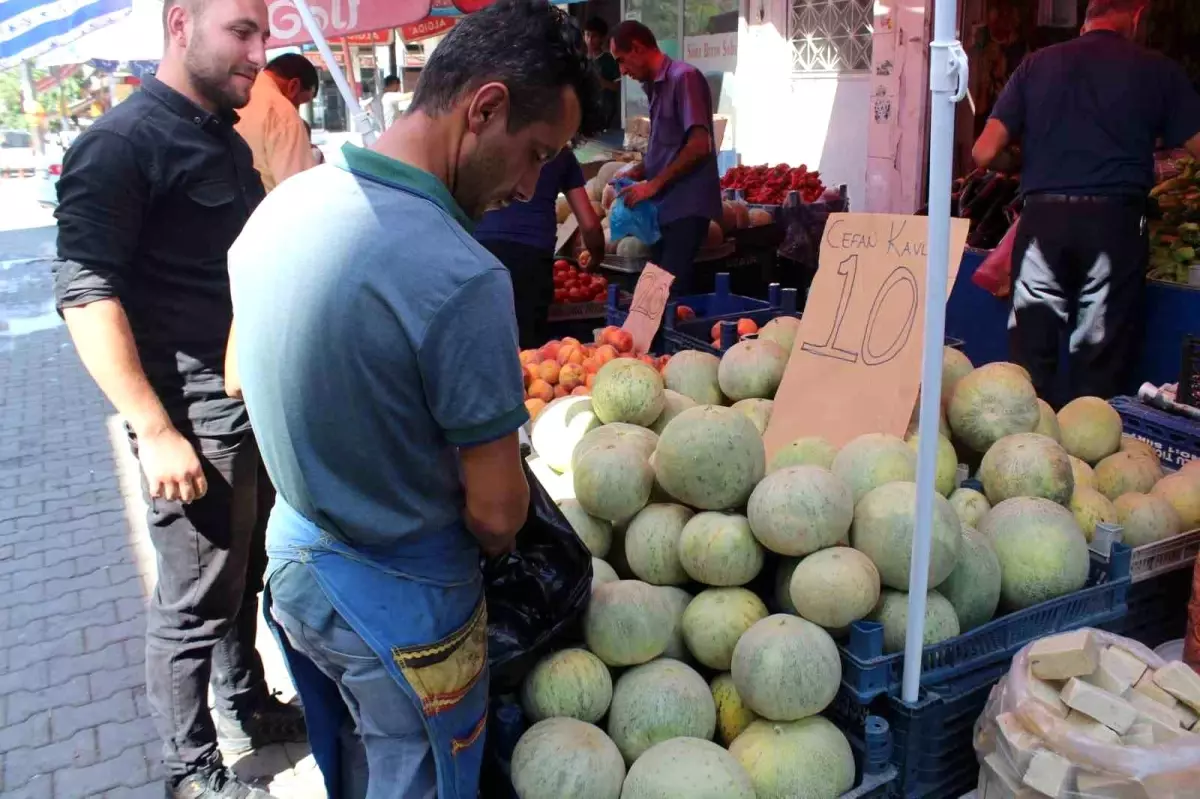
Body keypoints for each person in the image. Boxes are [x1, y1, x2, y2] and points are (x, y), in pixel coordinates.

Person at [226, 0, 600, 795]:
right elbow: (498, 514)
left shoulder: (281, 208)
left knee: (348, 766)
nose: (532, 186)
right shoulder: (461, 274)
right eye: (535, 154)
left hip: (295, 571)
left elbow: (238, 373)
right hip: (404, 617)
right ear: (485, 107)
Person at [51, 0, 307, 796]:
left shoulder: (220, 140)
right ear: (180, 24)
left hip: (244, 408)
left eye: (264, 34)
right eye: (241, 31)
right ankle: (190, 768)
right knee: (193, 600)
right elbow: (87, 296)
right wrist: (154, 428)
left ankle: (246, 705)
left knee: (241, 573)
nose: (258, 52)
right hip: (189, 425)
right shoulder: (120, 144)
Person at [972, 0, 1200, 405]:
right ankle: (1085, 456)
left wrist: (1024, 161)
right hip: (1113, 228)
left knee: (1030, 364)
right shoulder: (1157, 69)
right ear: (1136, 15)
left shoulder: (1035, 65)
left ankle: (1025, 452)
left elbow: (984, 152)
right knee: (1098, 362)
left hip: (1043, 224)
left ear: (1086, 16)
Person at [609, 20, 721, 295]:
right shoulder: (656, 87)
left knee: (669, 294)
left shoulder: (684, 78)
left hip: (686, 207)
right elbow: (669, 148)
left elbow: (698, 145)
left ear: (637, 48)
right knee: (657, 293)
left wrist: (653, 184)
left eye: (621, 61)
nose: (622, 71)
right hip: (665, 209)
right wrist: (639, 171)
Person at [475, 146, 606, 346]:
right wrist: (596, 257)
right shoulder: (559, 152)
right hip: (531, 261)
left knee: (481, 342)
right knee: (528, 353)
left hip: (478, 251)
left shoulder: (490, 139)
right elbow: (589, 225)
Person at [235, 52, 318, 193]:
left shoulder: (237, 94)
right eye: (300, 103)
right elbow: (299, 192)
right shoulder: (282, 113)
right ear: (294, 86)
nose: (297, 110)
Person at [585, 17, 621, 130]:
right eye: (587, 35)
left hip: (606, 115)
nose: (590, 40)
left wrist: (601, 82)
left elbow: (617, 87)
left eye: (594, 36)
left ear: (602, 38)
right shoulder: (582, 60)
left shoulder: (609, 60)